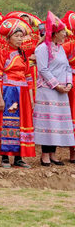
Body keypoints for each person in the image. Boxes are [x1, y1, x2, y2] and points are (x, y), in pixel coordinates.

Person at [33, 12, 75, 165]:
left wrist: (68, 84)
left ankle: (53, 154)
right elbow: (43, 69)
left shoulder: (61, 48)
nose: (65, 34)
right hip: (48, 90)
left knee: (57, 123)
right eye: (63, 31)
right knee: (48, 122)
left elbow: (67, 68)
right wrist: (56, 85)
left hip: (62, 91)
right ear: (56, 33)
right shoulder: (42, 49)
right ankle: (44, 154)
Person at [0, 17, 34, 168]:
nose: (19, 39)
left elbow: (29, 77)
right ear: (8, 38)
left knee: (21, 124)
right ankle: (4, 157)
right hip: (8, 92)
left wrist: (30, 99)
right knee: (8, 122)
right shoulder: (2, 54)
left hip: (22, 93)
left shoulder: (24, 55)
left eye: (21, 36)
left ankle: (19, 157)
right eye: (16, 36)